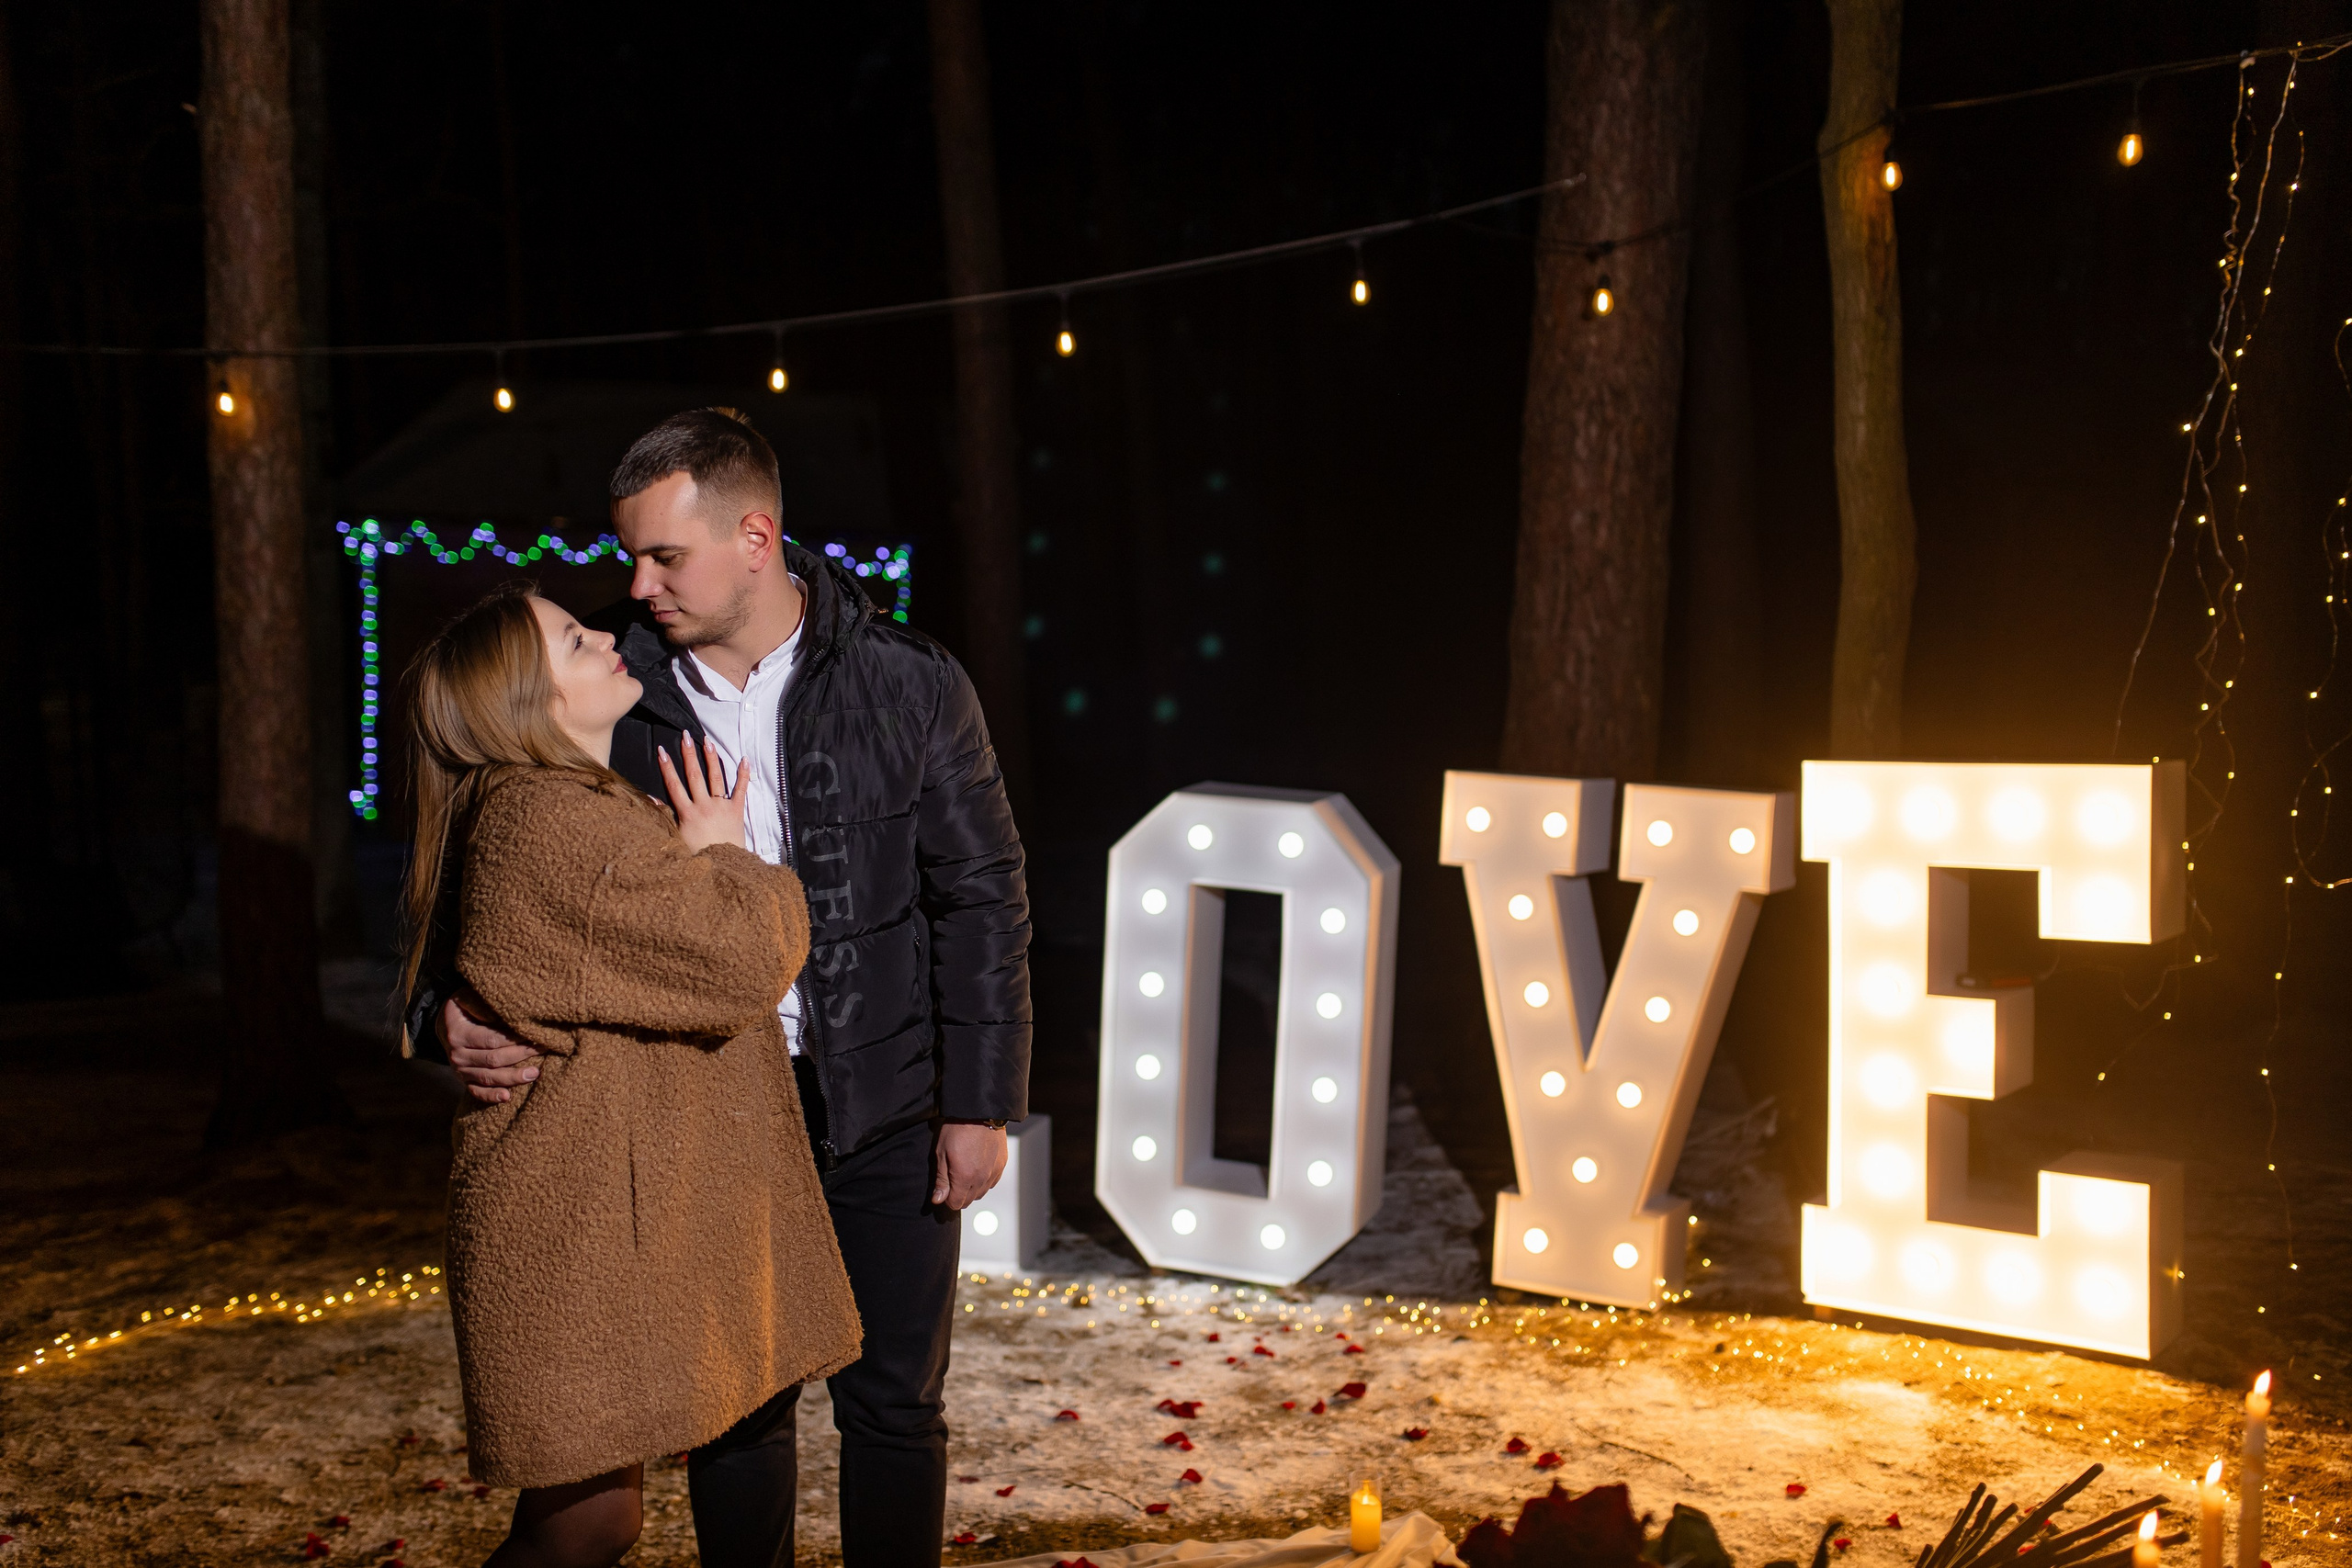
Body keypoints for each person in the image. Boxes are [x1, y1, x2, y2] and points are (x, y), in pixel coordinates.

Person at [422, 407, 1033, 1567]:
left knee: (896, 1405)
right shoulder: (602, 686)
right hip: (703, 1109)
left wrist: (979, 1098)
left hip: (889, 1097)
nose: (637, 583)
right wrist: (442, 1011)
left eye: (665, 555)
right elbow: (478, 880)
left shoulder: (912, 683)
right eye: (630, 555)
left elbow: (982, 895)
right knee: (734, 1415)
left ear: (755, 538)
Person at [398, 582, 861, 1568]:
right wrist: (726, 856)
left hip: (587, 1220)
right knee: (584, 1525)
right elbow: (737, 959)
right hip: (572, 1234)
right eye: (574, 640)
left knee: (596, 1520)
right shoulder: (558, 825)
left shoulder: (559, 809)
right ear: (532, 697)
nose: (608, 634)